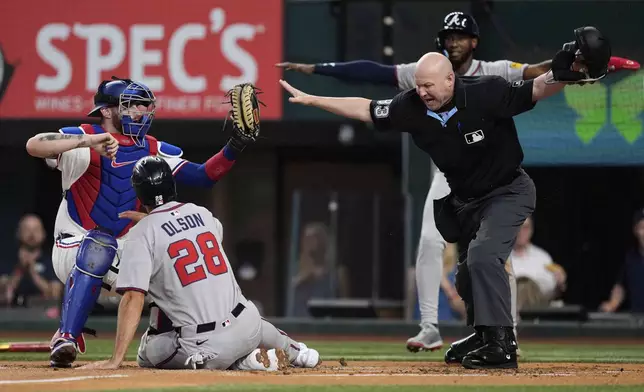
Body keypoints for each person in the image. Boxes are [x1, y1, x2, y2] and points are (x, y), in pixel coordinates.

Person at [276, 11, 639, 353]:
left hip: (504, 186)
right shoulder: (413, 101)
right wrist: (312, 95)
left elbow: (537, 83)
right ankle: (465, 331)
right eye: (419, 86)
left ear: (454, 73)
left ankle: (503, 338)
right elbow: (366, 104)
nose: (423, 92)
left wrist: (574, 70)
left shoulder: (489, 84)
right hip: (462, 190)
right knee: (460, 268)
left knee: (485, 257)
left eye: (430, 85)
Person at [25, 76, 256, 368]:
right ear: (107, 111)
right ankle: (66, 336)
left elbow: (203, 176)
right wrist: (89, 141)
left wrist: (235, 145)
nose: (141, 113)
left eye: (145, 107)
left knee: (174, 256)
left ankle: (171, 340)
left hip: (124, 252)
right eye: (132, 106)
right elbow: (33, 145)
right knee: (99, 243)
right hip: (74, 245)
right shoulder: (82, 136)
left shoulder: (151, 148)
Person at [79, 156, 321, 371]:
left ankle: (244, 363)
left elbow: (133, 298)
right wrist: (154, 222)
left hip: (208, 345)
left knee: (146, 352)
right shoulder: (202, 213)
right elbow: (182, 234)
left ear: (139, 194)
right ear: (172, 185)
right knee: (246, 315)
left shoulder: (142, 233)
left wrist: (115, 360)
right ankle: (298, 352)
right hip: (249, 326)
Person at [599, 208, 644, 314]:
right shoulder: (630, 258)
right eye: (642, 228)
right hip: (638, 322)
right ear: (635, 231)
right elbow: (620, 286)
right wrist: (613, 303)